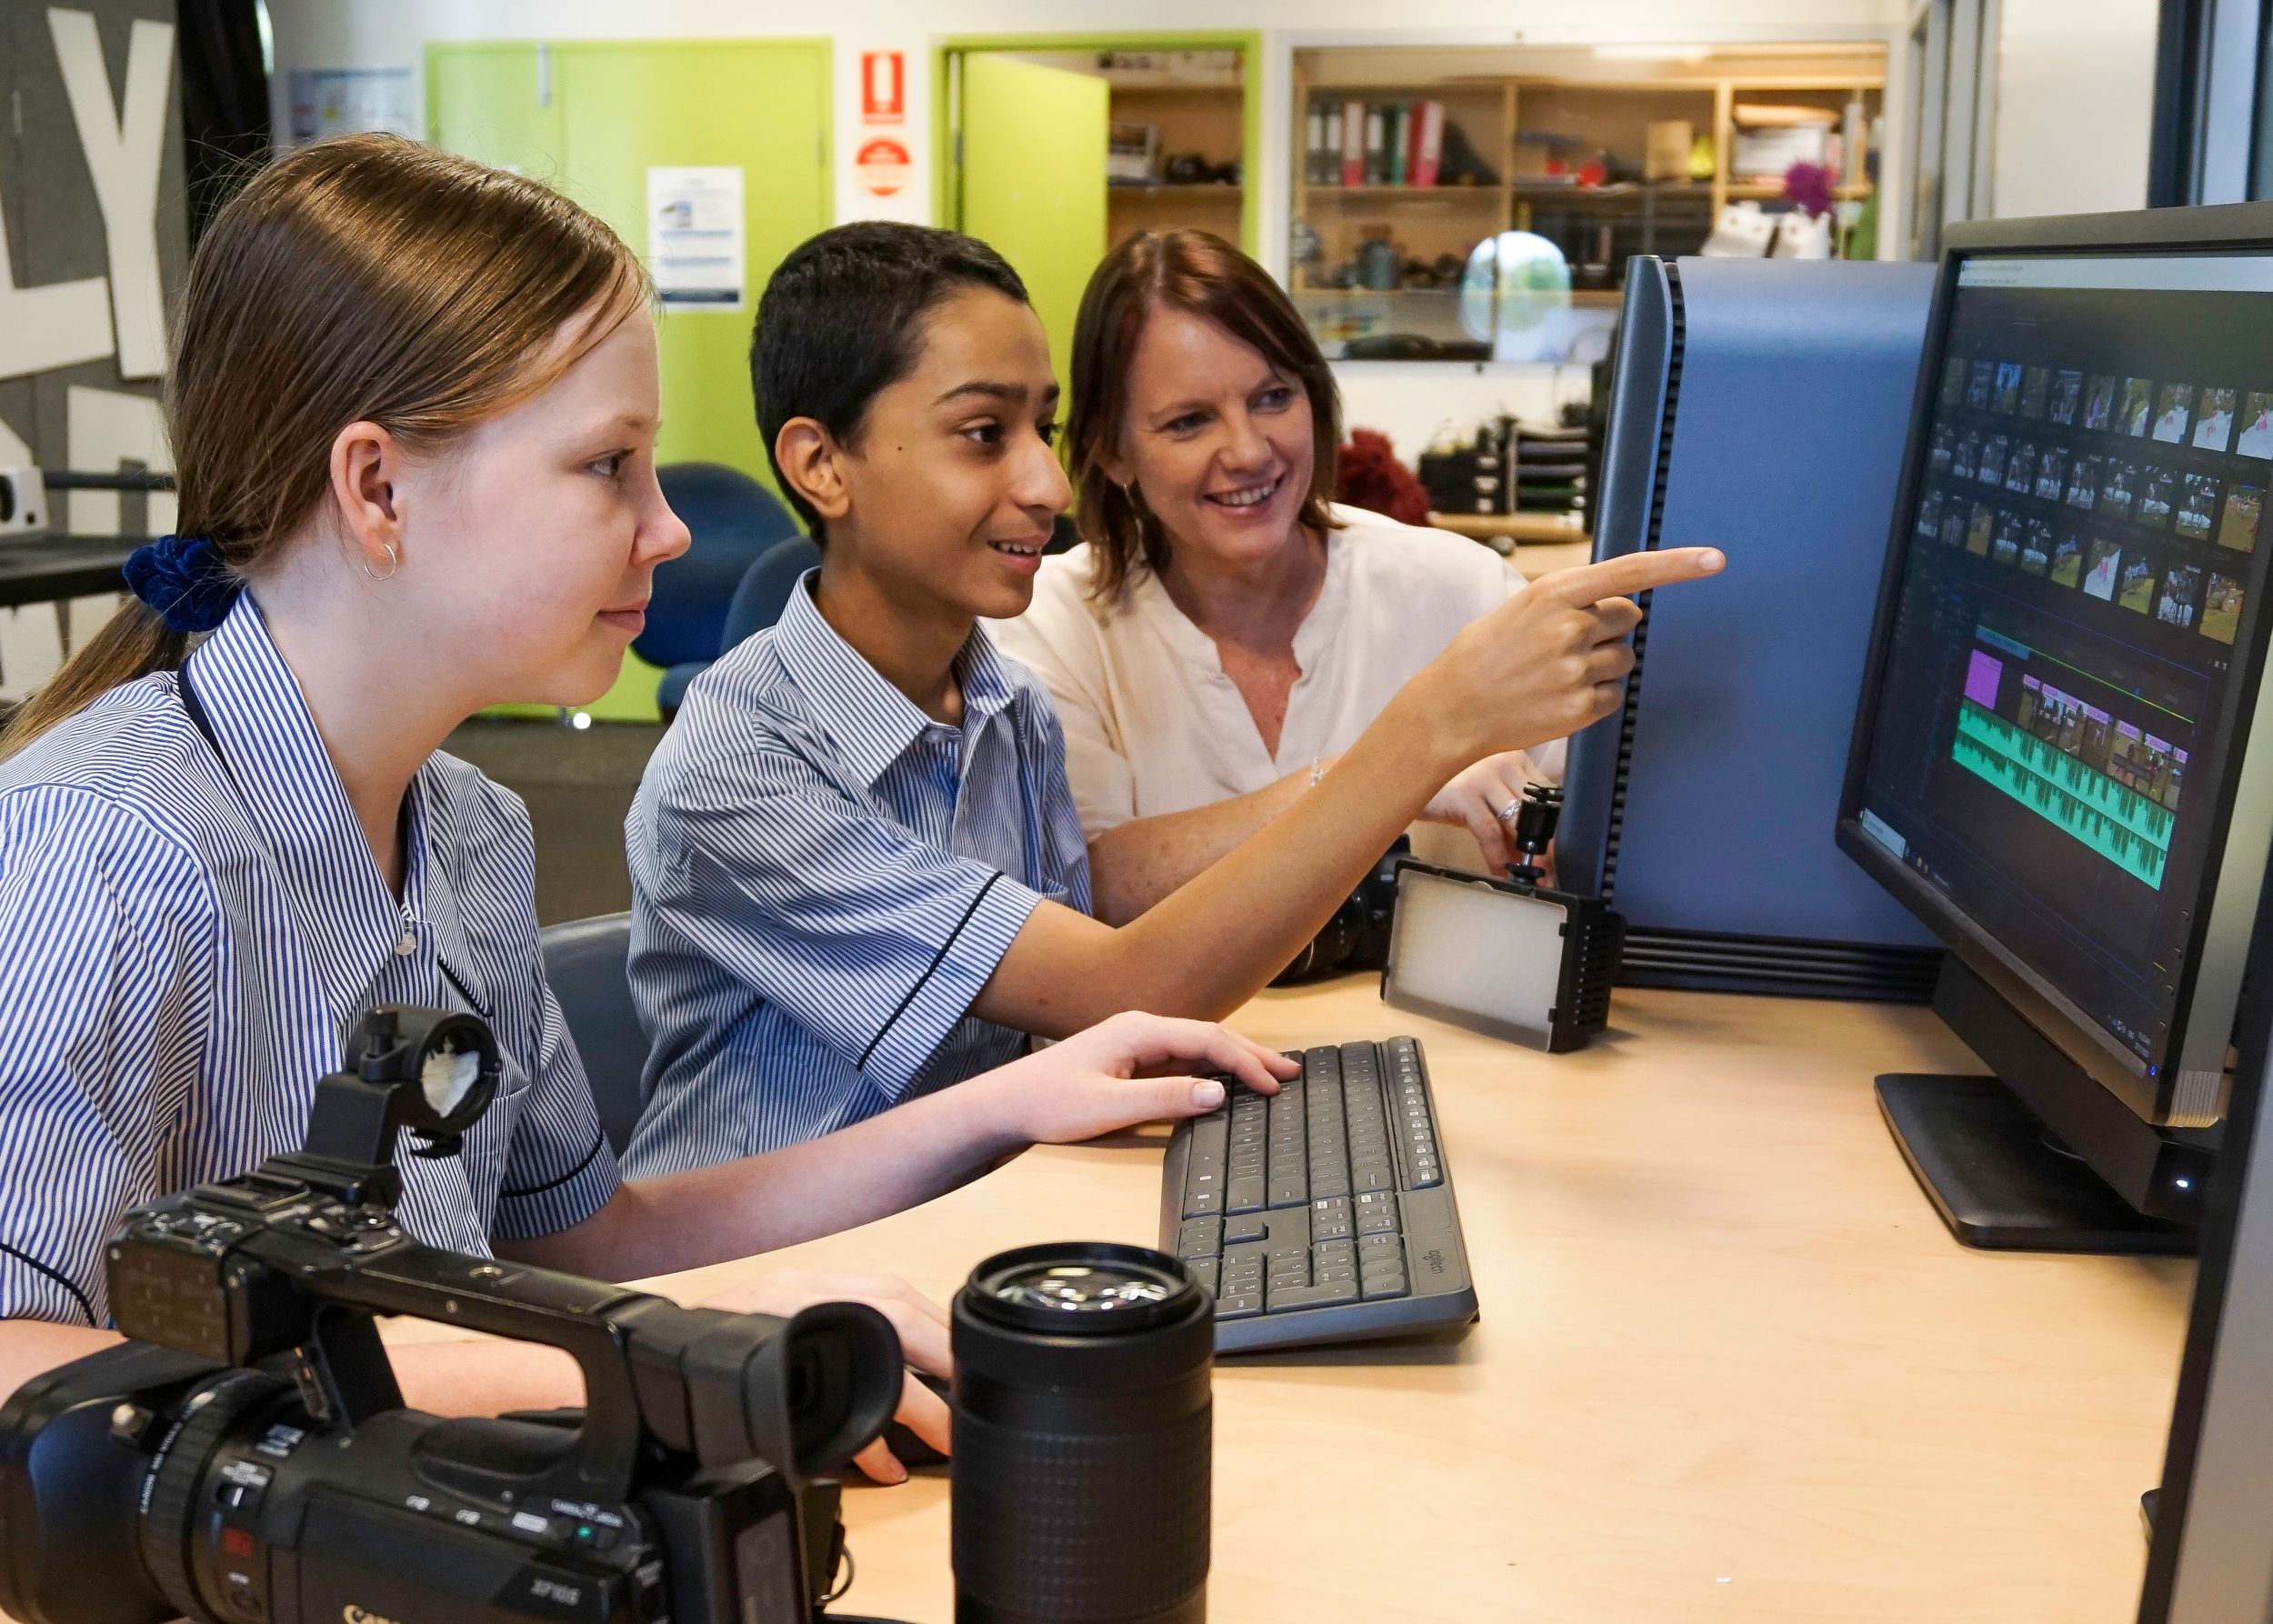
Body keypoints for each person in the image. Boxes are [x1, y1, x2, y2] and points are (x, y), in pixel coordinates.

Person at [0, 136, 1296, 1485]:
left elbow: (591, 1244)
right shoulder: (99, 846)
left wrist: (1007, 1101)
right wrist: (652, 1356)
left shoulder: (468, 830)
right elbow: (17, 1367)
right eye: (608, 465)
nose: (670, 528)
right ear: (379, 488)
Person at [625, 221, 1719, 1170]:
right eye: (983, 434)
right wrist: (1426, 733)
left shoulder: (1001, 702)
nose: (1047, 486)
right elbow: (1118, 987)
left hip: (976, 1208)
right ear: (822, 466)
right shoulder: (739, 771)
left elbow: (1070, 1037)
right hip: (769, 1288)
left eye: (1042, 431)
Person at [990, 229, 1567, 925]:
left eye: (1272, 398)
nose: (1248, 451)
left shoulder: (1463, 590)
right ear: (1112, 452)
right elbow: (1087, 883)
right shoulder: (1050, 624)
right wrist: (1389, 775)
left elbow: (1602, 827)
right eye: (1189, 421)